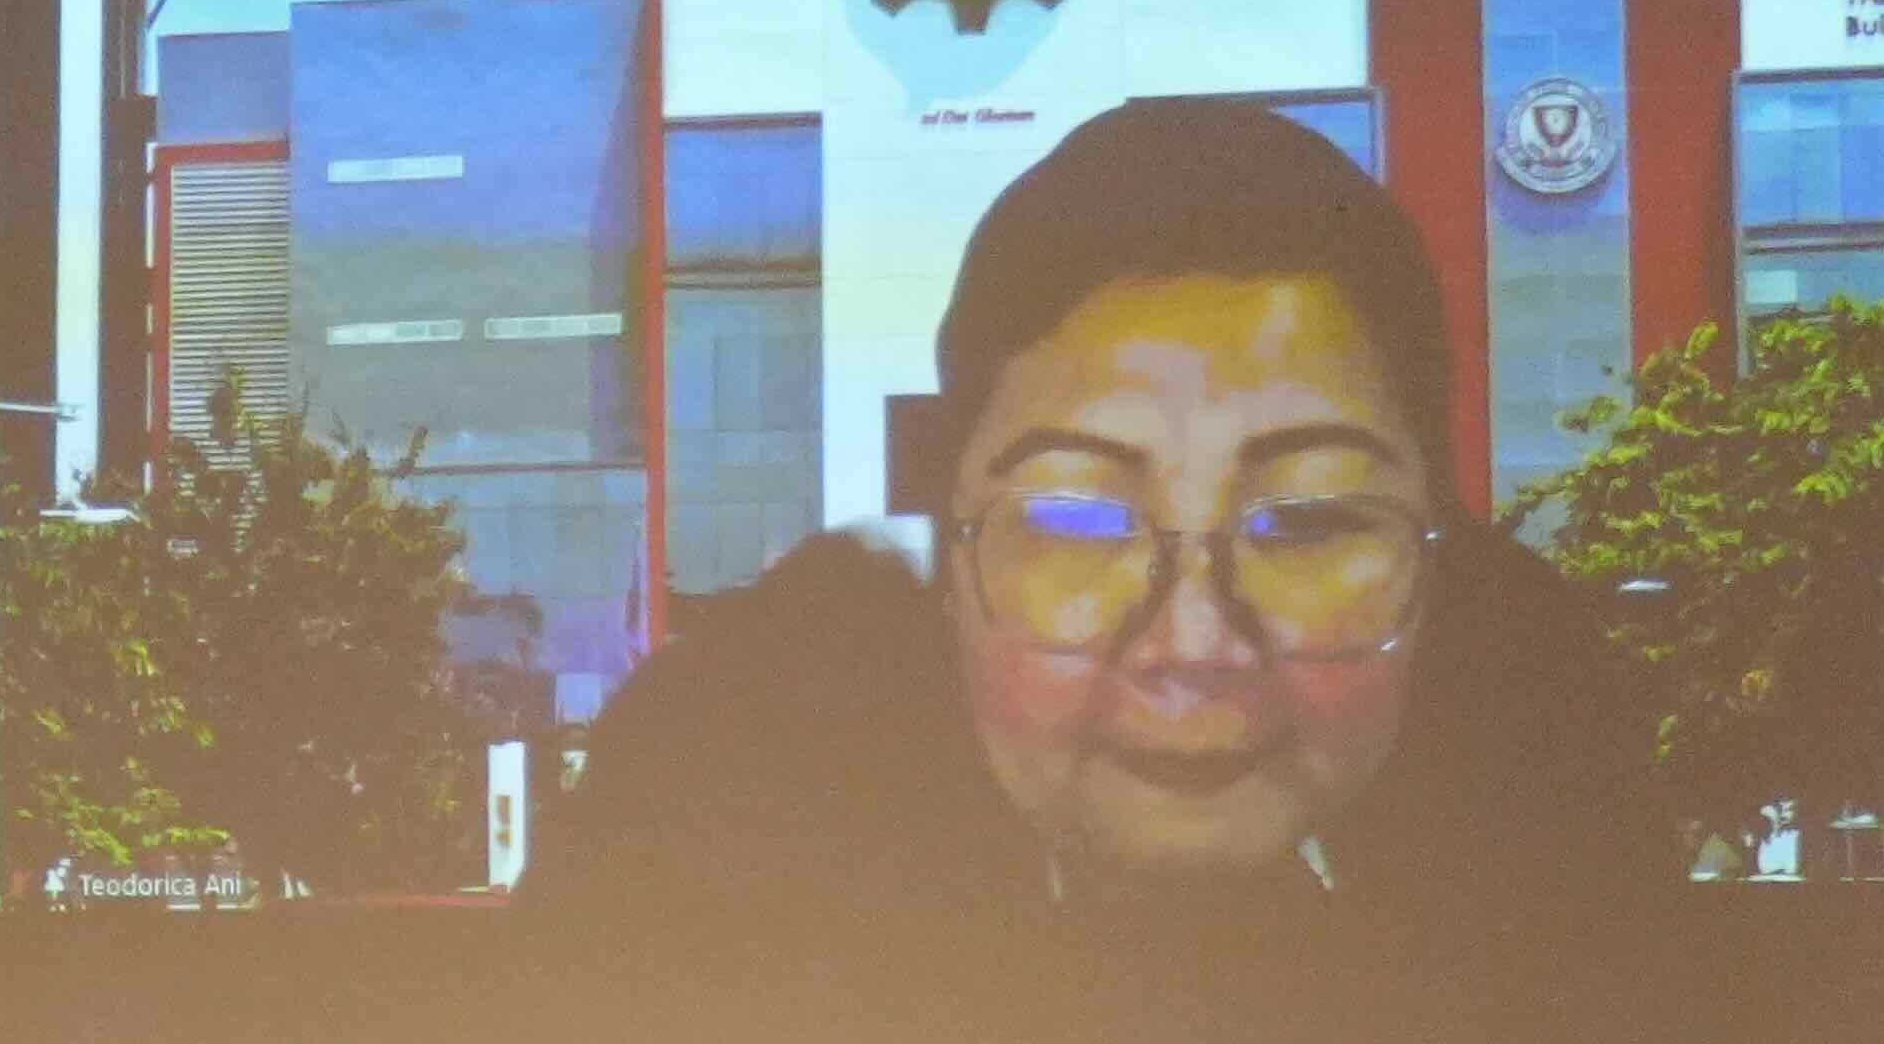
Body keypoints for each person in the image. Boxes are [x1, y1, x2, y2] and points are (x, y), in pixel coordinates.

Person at [541, 94, 1665, 924]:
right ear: (951, 568)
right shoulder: (719, 907)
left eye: (1311, 522)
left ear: (1438, 565)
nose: (1194, 648)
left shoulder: (1589, 988)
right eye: (1078, 523)